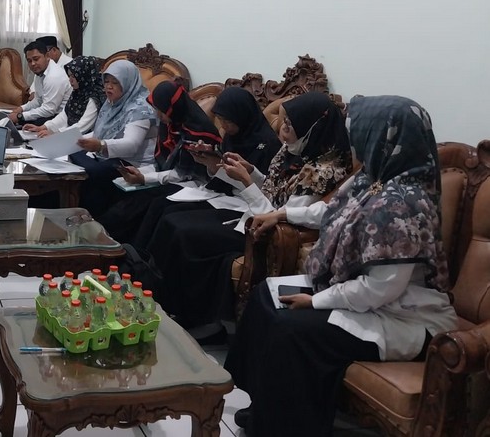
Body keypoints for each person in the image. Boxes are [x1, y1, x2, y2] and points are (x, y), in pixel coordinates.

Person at [225, 95, 457, 437]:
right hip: (361, 291)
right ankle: (262, 405)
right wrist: (282, 213)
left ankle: (284, 428)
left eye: (360, 134)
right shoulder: (375, 177)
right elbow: (330, 210)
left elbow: (380, 289)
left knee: (291, 329)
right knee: (264, 297)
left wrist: (315, 301)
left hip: (403, 315)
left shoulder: (403, 205)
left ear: (382, 137)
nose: (354, 144)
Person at [147, 91, 352, 340]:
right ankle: (169, 302)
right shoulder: (295, 150)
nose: (282, 131)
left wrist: (246, 182)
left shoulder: (323, 170)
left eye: (289, 125)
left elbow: (283, 213)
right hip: (254, 214)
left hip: (268, 231)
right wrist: (250, 171)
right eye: (283, 123)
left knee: (186, 234)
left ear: (312, 128)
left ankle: (201, 320)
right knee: (174, 223)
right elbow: (273, 190)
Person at [130, 86, 283, 253]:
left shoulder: (269, 145)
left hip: (244, 204)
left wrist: (234, 173)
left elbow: (265, 190)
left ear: (242, 115)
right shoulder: (232, 137)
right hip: (220, 194)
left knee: (176, 224)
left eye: (228, 121)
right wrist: (210, 160)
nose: (223, 126)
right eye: (220, 120)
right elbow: (220, 172)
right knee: (163, 210)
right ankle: (140, 257)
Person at [96, 78, 222, 243]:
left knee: (150, 203)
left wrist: (144, 178)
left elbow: (183, 174)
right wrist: (141, 173)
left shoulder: (197, 132)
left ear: (173, 108)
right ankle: (105, 237)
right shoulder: (170, 123)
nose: (158, 115)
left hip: (194, 184)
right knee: (123, 194)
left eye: (161, 111)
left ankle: (131, 249)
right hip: (170, 177)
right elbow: (161, 162)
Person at [69, 59, 158, 218]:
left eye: (115, 82)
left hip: (133, 163)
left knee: (94, 172)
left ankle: (92, 219)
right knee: (73, 154)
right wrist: (77, 140)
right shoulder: (113, 102)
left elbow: (131, 145)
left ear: (128, 82)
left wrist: (100, 145)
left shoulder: (141, 108)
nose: (109, 86)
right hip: (110, 155)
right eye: (106, 82)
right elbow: (100, 133)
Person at [24, 55, 105, 137]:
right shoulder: (77, 92)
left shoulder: (95, 97)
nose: (70, 80)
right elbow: (65, 115)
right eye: (69, 76)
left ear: (84, 75)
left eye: (74, 76)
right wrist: (43, 127)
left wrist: (57, 134)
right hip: (70, 135)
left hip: (86, 139)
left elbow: (83, 125)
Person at [9, 40, 71, 127]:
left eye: (36, 59)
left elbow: (48, 110)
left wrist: (20, 116)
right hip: (48, 115)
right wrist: (21, 109)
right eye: (29, 61)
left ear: (47, 56)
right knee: (11, 122)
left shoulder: (54, 76)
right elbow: (38, 100)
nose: (33, 64)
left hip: (59, 120)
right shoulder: (40, 73)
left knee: (19, 125)